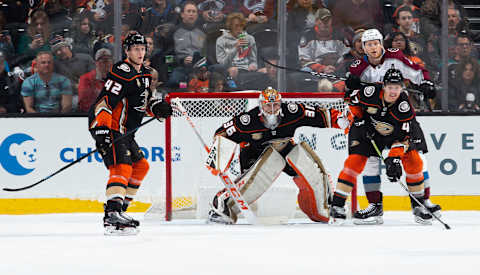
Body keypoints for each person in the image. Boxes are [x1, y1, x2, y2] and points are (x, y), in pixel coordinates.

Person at [206, 87, 348, 224]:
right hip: (254, 154)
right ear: (261, 105)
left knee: (311, 170)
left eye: (276, 105)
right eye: (268, 106)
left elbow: (319, 115)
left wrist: (339, 120)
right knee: (256, 182)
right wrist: (218, 154)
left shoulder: (292, 111)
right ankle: (222, 204)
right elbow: (222, 134)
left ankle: (322, 208)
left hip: (284, 148)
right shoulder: (248, 120)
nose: (273, 109)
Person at [345, 29, 441, 223]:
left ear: (381, 44)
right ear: (363, 48)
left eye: (376, 43)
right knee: (371, 161)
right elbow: (350, 96)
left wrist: (426, 83)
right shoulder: (358, 67)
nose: (373, 47)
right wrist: (350, 86)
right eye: (368, 44)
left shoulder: (395, 57)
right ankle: (375, 207)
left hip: (400, 115)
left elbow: (416, 71)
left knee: (418, 158)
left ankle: (422, 202)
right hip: (374, 120)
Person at [88, 32, 173, 235]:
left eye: (143, 49)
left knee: (141, 166)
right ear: (127, 51)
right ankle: (112, 215)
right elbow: (104, 102)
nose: (140, 52)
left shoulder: (145, 73)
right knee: (122, 167)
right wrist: (102, 131)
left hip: (126, 132)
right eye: (136, 49)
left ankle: (120, 209)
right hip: (110, 128)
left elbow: (144, 102)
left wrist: (157, 107)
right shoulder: (121, 71)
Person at [330, 67, 433, 225]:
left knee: (414, 161)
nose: (393, 92)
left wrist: (394, 159)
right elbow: (350, 99)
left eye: (397, 87)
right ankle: (340, 206)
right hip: (366, 129)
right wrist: (359, 117)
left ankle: (418, 205)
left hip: (394, 135)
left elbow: (403, 139)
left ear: (402, 88)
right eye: (390, 87)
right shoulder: (370, 92)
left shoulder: (404, 107)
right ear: (384, 86)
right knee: (354, 163)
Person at [215, 12, 261, 90]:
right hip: (229, 70)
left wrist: (253, 65)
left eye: (241, 26)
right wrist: (235, 48)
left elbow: (253, 60)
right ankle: (233, 93)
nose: (239, 28)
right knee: (233, 70)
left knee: (265, 72)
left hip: (246, 70)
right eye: (236, 26)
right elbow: (222, 63)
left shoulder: (250, 39)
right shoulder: (221, 40)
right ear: (230, 26)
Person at [167, 1, 206, 88]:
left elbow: (208, 53)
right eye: (188, 11)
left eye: (194, 12)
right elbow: (168, 55)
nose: (191, 14)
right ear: (182, 15)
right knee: (174, 82)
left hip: (201, 67)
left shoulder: (203, 32)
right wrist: (181, 60)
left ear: (197, 15)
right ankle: (185, 88)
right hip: (181, 67)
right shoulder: (174, 31)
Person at [78, 48, 113, 113]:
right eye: (103, 60)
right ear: (96, 63)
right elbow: (84, 103)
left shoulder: (118, 77)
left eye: (108, 60)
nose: (106, 63)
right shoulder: (86, 79)